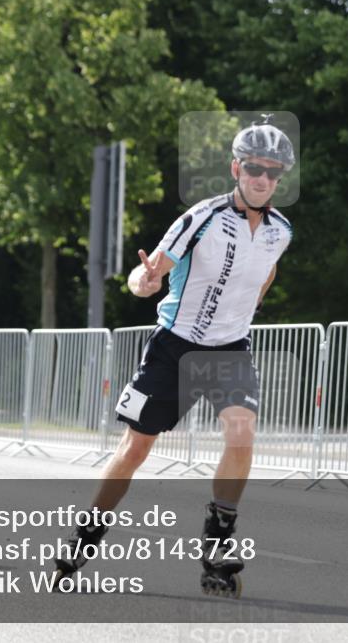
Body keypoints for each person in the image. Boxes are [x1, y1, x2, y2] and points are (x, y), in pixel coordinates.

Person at [56, 118, 295, 598]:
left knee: (242, 431)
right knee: (135, 450)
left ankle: (218, 544)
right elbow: (146, 274)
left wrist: (252, 306)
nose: (262, 178)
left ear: (279, 179)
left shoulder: (279, 231)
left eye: (272, 172)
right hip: (176, 346)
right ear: (236, 168)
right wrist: (144, 282)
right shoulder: (200, 218)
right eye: (253, 167)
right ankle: (86, 534)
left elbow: (264, 274)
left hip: (229, 349)